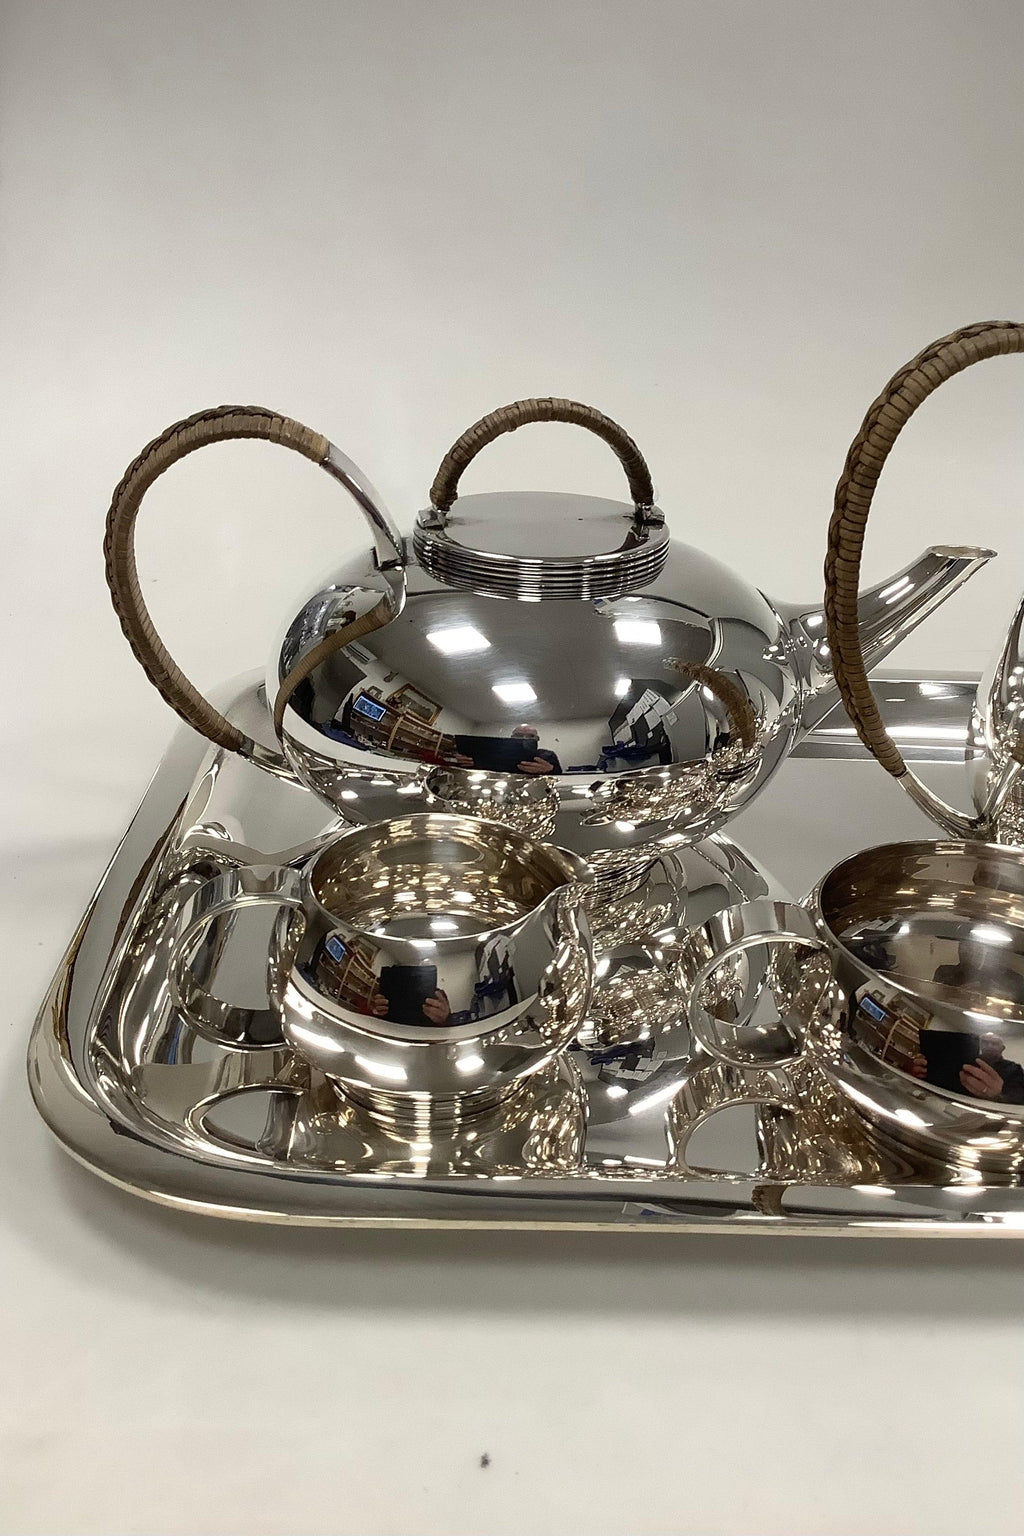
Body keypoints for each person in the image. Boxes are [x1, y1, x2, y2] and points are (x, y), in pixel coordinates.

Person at [909, 1030, 1024, 1103]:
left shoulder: (1013, 1068)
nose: (989, 1046)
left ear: (1002, 1048)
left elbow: (1019, 1097)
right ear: (980, 1044)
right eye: (985, 1042)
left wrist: (998, 1095)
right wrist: (921, 1072)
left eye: (994, 1043)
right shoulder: (963, 1059)